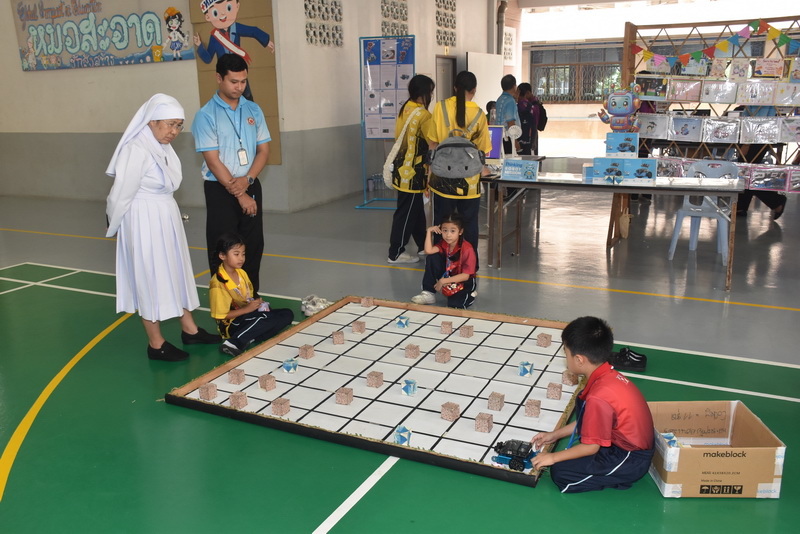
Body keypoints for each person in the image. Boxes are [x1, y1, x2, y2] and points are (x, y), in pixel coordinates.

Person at [106, 94, 221, 362]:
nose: (174, 131)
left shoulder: (162, 147)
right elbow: (120, 193)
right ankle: (156, 344)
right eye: (170, 124)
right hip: (143, 219)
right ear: (151, 121)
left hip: (165, 215)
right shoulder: (136, 149)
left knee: (175, 269)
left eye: (179, 126)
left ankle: (190, 330)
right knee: (149, 276)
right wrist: (115, 222)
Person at [530, 316, 655, 493]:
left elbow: (591, 447)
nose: (565, 357)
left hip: (630, 458)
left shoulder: (598, 396)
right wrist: (554, 435)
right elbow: (588, 421)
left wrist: (552, 457)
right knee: (572, 455)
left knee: (561, 472)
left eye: (566, 352)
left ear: (579, 360)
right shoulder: (607, 375)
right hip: (627, 443)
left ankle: (616, 477)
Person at [192, 53, 271, 295]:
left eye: (243, 81)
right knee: (224, 248)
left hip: (250, 185)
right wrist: (239, 194)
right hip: (220, 190)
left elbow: (263, 151)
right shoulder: (206, 115)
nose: (239, 87)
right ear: (219, 78)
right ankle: (226, 305)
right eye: (233, 81)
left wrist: (248, 180)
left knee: (252, 246)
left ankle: (251, 298)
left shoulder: (253, 110)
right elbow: (213, 161)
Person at [425, 70, 492, 272]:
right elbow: (483, 151)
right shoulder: (479, 114)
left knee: (442, 225)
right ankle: (469, 268)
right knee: (469, 225)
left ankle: (440, 268)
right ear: (474, 90)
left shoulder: (440, 107)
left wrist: (429, 176)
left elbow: (432, 144)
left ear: (455, 88)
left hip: (442, 181)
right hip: (469, 183)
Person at [210, 232, 294, 357]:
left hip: (246, 314)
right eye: (236, 254)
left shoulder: (241, 273)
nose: (241, 258)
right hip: (231, 325)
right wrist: (247, 309)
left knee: (287, 314)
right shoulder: (218, 283)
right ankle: (233, 343)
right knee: (266, 318)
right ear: (222, 255)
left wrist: (257, 303)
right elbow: (221, 316)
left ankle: (251, 337)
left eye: (243, 254)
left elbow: (248, 296)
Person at [387, 74, 436, 264]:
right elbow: (432, 142)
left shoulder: (406, 108)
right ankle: (395, 252)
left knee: (414, 209)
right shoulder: (423, 115)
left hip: (402, 168)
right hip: (414, 171)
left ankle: (423, 245)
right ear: (424, 93)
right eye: (430, 92)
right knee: (406, 212)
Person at [193, 0, 275, 101]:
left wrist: (266, 41)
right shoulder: (215, 36)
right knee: (228, 99)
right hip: (225, 75)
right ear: (208, 17)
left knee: (247, 96)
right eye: (215, 12)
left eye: (228, 8)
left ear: (237, 6)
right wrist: (200, 46)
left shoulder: (236, 27)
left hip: (239, 70)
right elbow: (208, 58)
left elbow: (253, 31)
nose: (223, 14)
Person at [411, 213, 477, 309]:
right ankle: (428, 292)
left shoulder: (467, 249)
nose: (448, 235)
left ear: (460, 232)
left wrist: (443, 281)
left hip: (464, 280)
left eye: (452, 231)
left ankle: (470, 294)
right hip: (449, 275)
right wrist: (429, 231)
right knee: (432, 257)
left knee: (454, 305)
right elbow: (428, 251)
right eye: (445, 230)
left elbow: (466, 276)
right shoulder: (444, 243)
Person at [492, 74, 520, 154]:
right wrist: (515, 141)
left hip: (499, 136)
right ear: (514, 86)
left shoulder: (499, 99)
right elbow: (510, 122)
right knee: (510, 160)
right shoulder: (510, 101)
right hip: (508, 138)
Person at [516, 83, 537, 156]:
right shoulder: (532, 107)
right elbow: (534, 125)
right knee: (528, 158)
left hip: (518, 138)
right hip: (528, 139)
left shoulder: (516, 106)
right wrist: (534, 141)